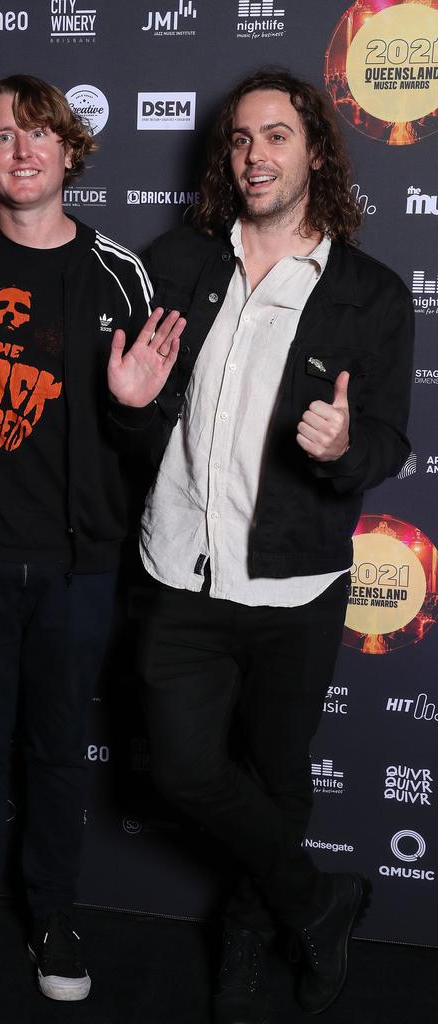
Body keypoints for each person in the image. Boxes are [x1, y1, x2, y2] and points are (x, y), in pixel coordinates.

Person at [107, 69, 414, 1023]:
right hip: (179, 572)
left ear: (315, 149)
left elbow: (389, 442)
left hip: (295, 589)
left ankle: (252, 930)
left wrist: (343, 450)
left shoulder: (371, 294)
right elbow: (141, 398)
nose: (256, 157)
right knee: (181, 767)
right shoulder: (181, 262)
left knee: (278, 781)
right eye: (241, 140)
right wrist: (126, 409)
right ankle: (319, 901)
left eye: (276, 137)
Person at [0, 74, 183, 1007]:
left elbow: (148, 437)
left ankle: (55, 914)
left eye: (38, 135)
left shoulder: (118, 274)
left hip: (77, 566)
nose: (20, 151)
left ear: (71, 150)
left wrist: (136, 410)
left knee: (58, 748)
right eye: (0, 138)